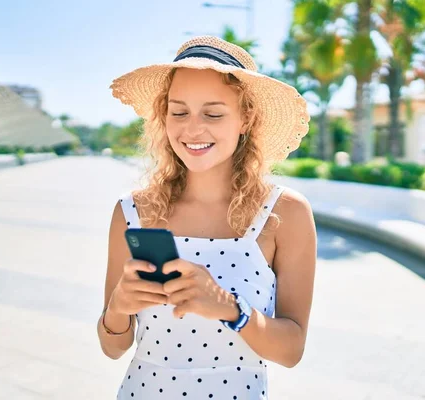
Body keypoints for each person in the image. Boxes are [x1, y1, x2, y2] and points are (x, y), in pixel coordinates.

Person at [97, 35, 317, 400]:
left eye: (213, 113)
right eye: (178, 111)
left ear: (245, 118)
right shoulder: (132, 211)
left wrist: (229, 307)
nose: (192, 129)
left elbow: (291, 351)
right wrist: (118, 308)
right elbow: (112, 347)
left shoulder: (285, 214)